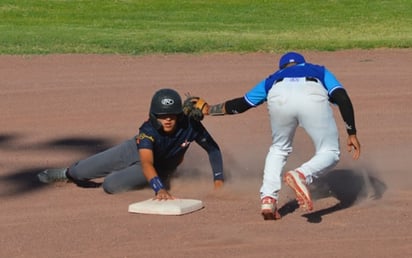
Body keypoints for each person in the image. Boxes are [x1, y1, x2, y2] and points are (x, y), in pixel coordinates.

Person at [199, 52, 361, 219]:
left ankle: (268, 199)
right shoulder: (319, 70)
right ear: (302, 63)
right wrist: (352, 132)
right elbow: (342, 98)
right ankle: (301, 174)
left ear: (282, 67)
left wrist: (210, 109)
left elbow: (242, 104)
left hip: (278, 95)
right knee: (330, 151)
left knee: (279, 148)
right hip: (311, 95)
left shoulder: (273, 78)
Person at [37, 88, 224, 200]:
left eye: (171, 115)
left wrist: (218, 181)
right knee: (79, 172)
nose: (167, 120)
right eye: (162, 116)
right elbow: (146, 163)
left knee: (110, 185)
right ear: (153, 116)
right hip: (134, 153)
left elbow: (213, 150)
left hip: (160, 169)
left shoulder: (191, 126)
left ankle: (153, 178)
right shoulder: (148, 130)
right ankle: (65, 173)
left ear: (179, 114)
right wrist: (159, 189)